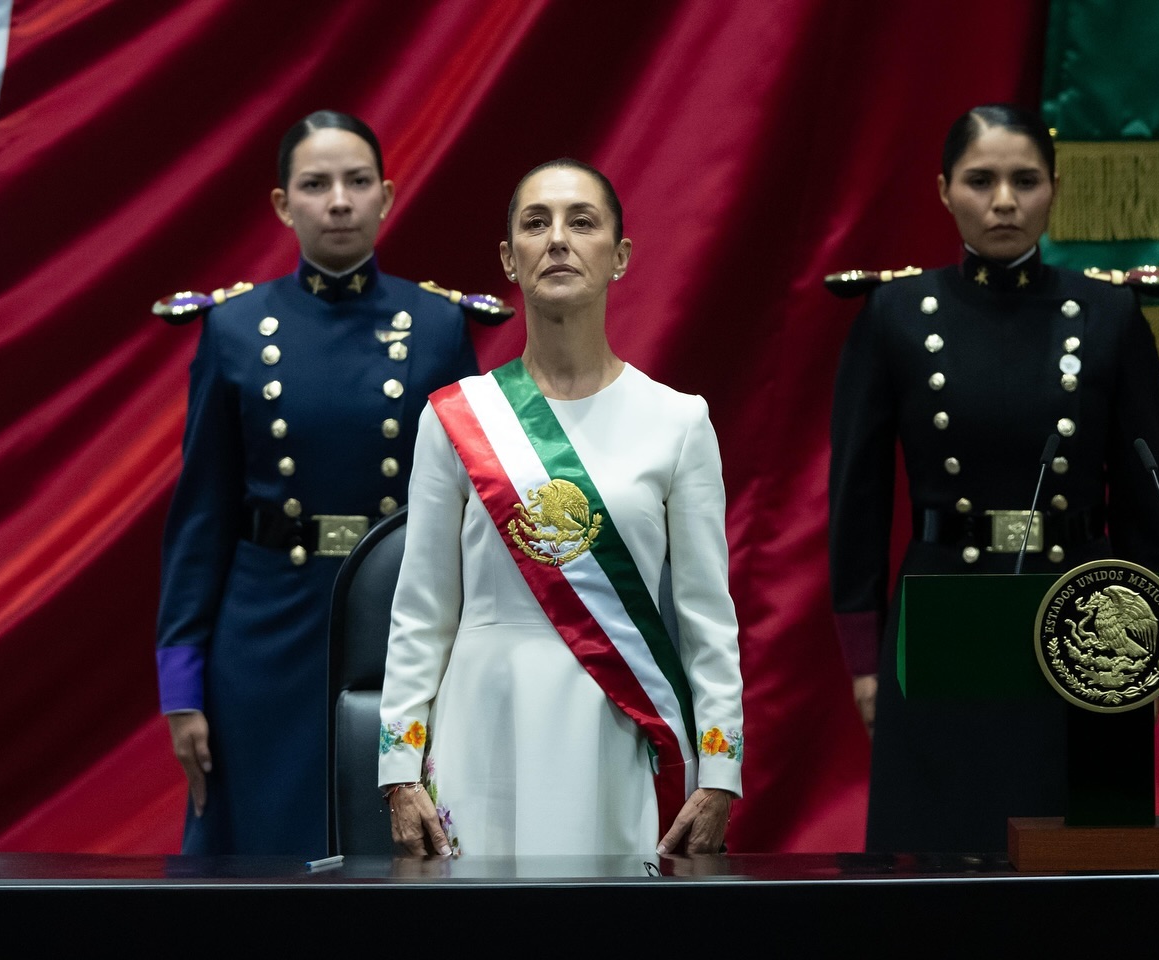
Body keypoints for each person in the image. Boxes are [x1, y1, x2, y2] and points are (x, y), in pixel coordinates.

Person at [155, 110, 508, 856]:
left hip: (395, 622)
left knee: (390, 848)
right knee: (262, 846)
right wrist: (182, 686)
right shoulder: (236, 328)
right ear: (284, 205)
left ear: (386, 195)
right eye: (316, 185)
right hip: (264, 632)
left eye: (356, 182)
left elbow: (471, 514)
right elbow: (201, 516)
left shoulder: (438, 326)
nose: (339, 201)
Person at [827, 104, 1159, 853]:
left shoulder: (1109, 314)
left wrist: (1152, 644)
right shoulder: (893, 314)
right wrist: (864, 659)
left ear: (1054, 189)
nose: (1005, 201)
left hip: (1084, 615)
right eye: (981, 181)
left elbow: (1147, 502)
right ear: (945, 190)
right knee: (937, 857)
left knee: (1080, 861)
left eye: (1025, 180)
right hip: (942, 609)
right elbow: (856, 501)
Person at [377, 159, 744, 857]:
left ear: (621, 257)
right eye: (535, 223)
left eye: (583, 222)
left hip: (620, 728)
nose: (558, 240)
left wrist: (720, 771)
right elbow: (420, 611)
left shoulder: (679, 422)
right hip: (483, 723)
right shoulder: (455, 419)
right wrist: (398, 769)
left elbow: (707, 619)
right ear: (510, 260)